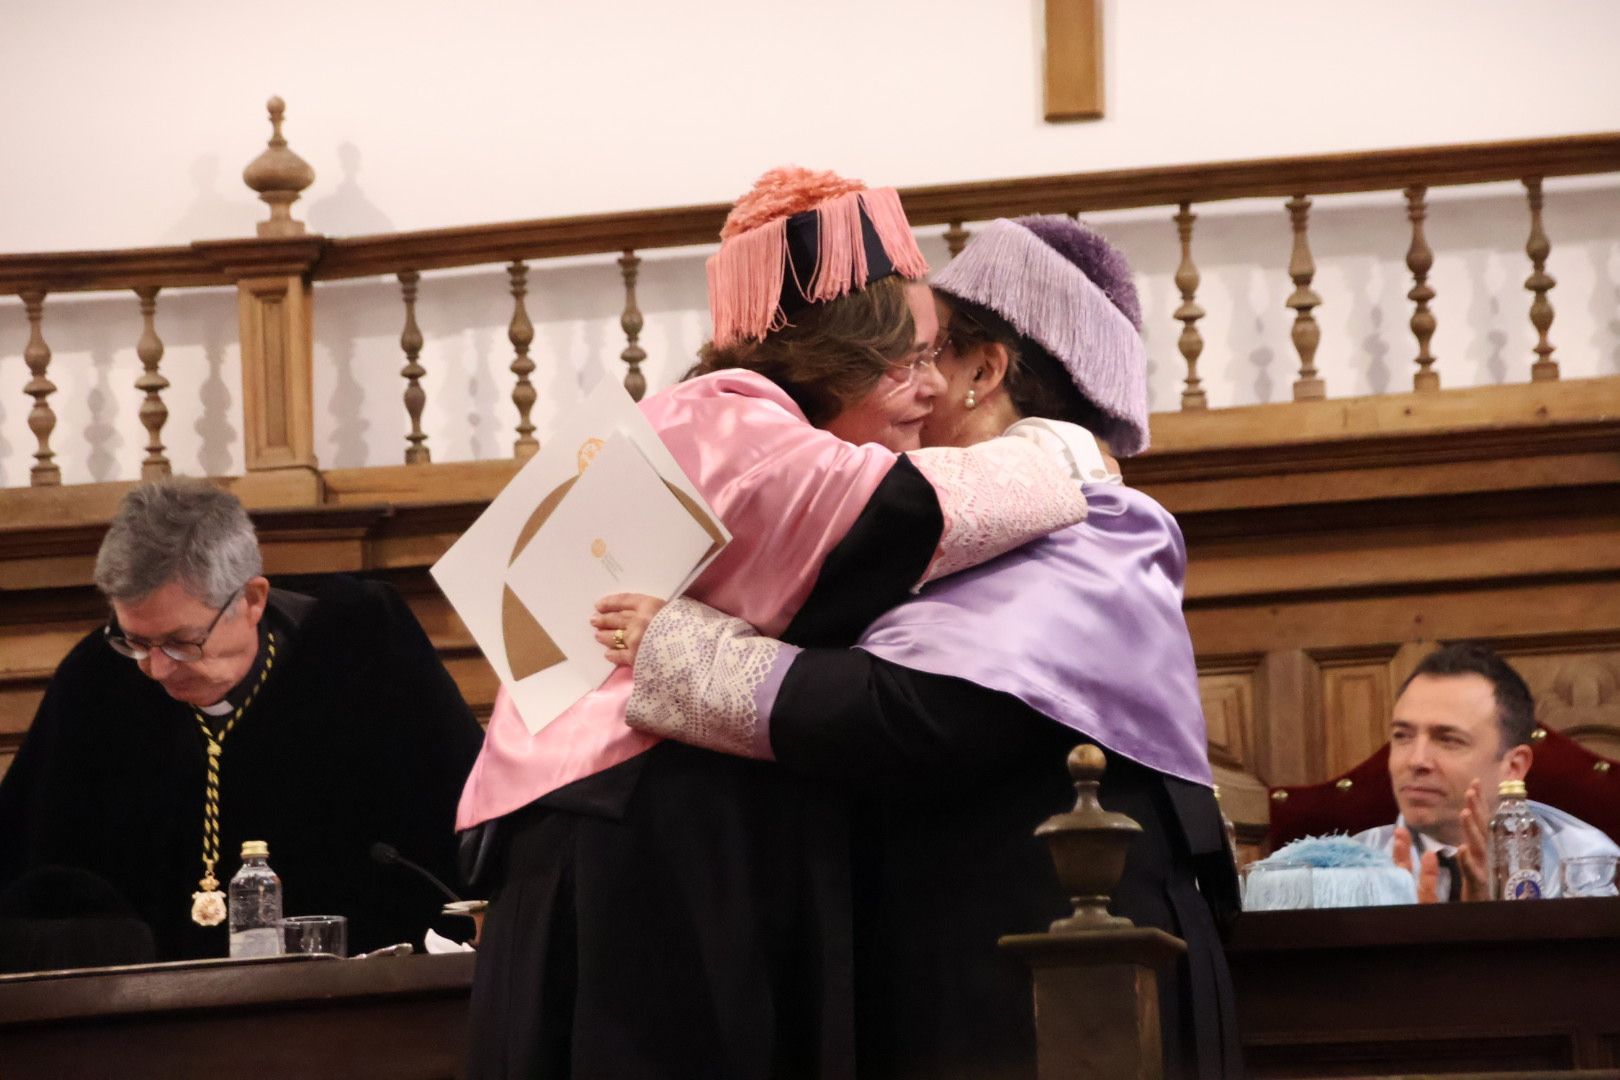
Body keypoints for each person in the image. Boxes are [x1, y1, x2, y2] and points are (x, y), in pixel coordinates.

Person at [462, 171, 1093, 1079]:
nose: (928, 392)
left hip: (612, 836)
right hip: (650, 851)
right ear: (831, 364)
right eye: (909, 363)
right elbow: (918, 510)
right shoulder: (731, 429)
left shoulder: (677, 416)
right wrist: (1065, 450)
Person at [607, 215, 1244, 1079]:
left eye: (922, 355)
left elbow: (920, 716)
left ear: (983, 371)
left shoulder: (1095, 528)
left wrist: (685, 652)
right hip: (967, 963)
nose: (895, 381)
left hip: (1064, 978)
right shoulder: (929, 524)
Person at [0, 479, 485, 961]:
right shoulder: (96, 683)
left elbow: (467, 838)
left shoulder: (365, 660)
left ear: (252, 600)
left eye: (181, 642)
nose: (155, 668)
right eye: (135, 641)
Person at [1355, 641, 1618, 901]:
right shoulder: (1346, 870)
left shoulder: (1583, 862)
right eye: (1402, 736)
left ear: (1514, 767)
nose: (1416, 760)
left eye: (1448, 739)